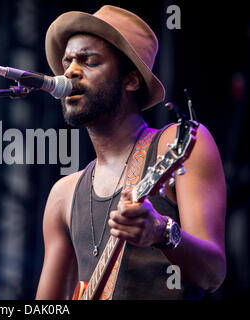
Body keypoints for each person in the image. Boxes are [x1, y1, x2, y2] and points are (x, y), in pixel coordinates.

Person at [35, 5, 226, 299]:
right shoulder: (63, 194)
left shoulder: (176, 144)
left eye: (88, 61)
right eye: (68, 61)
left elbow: (213, 274)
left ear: (131, 80)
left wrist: (161, 232)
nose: (70, 71)